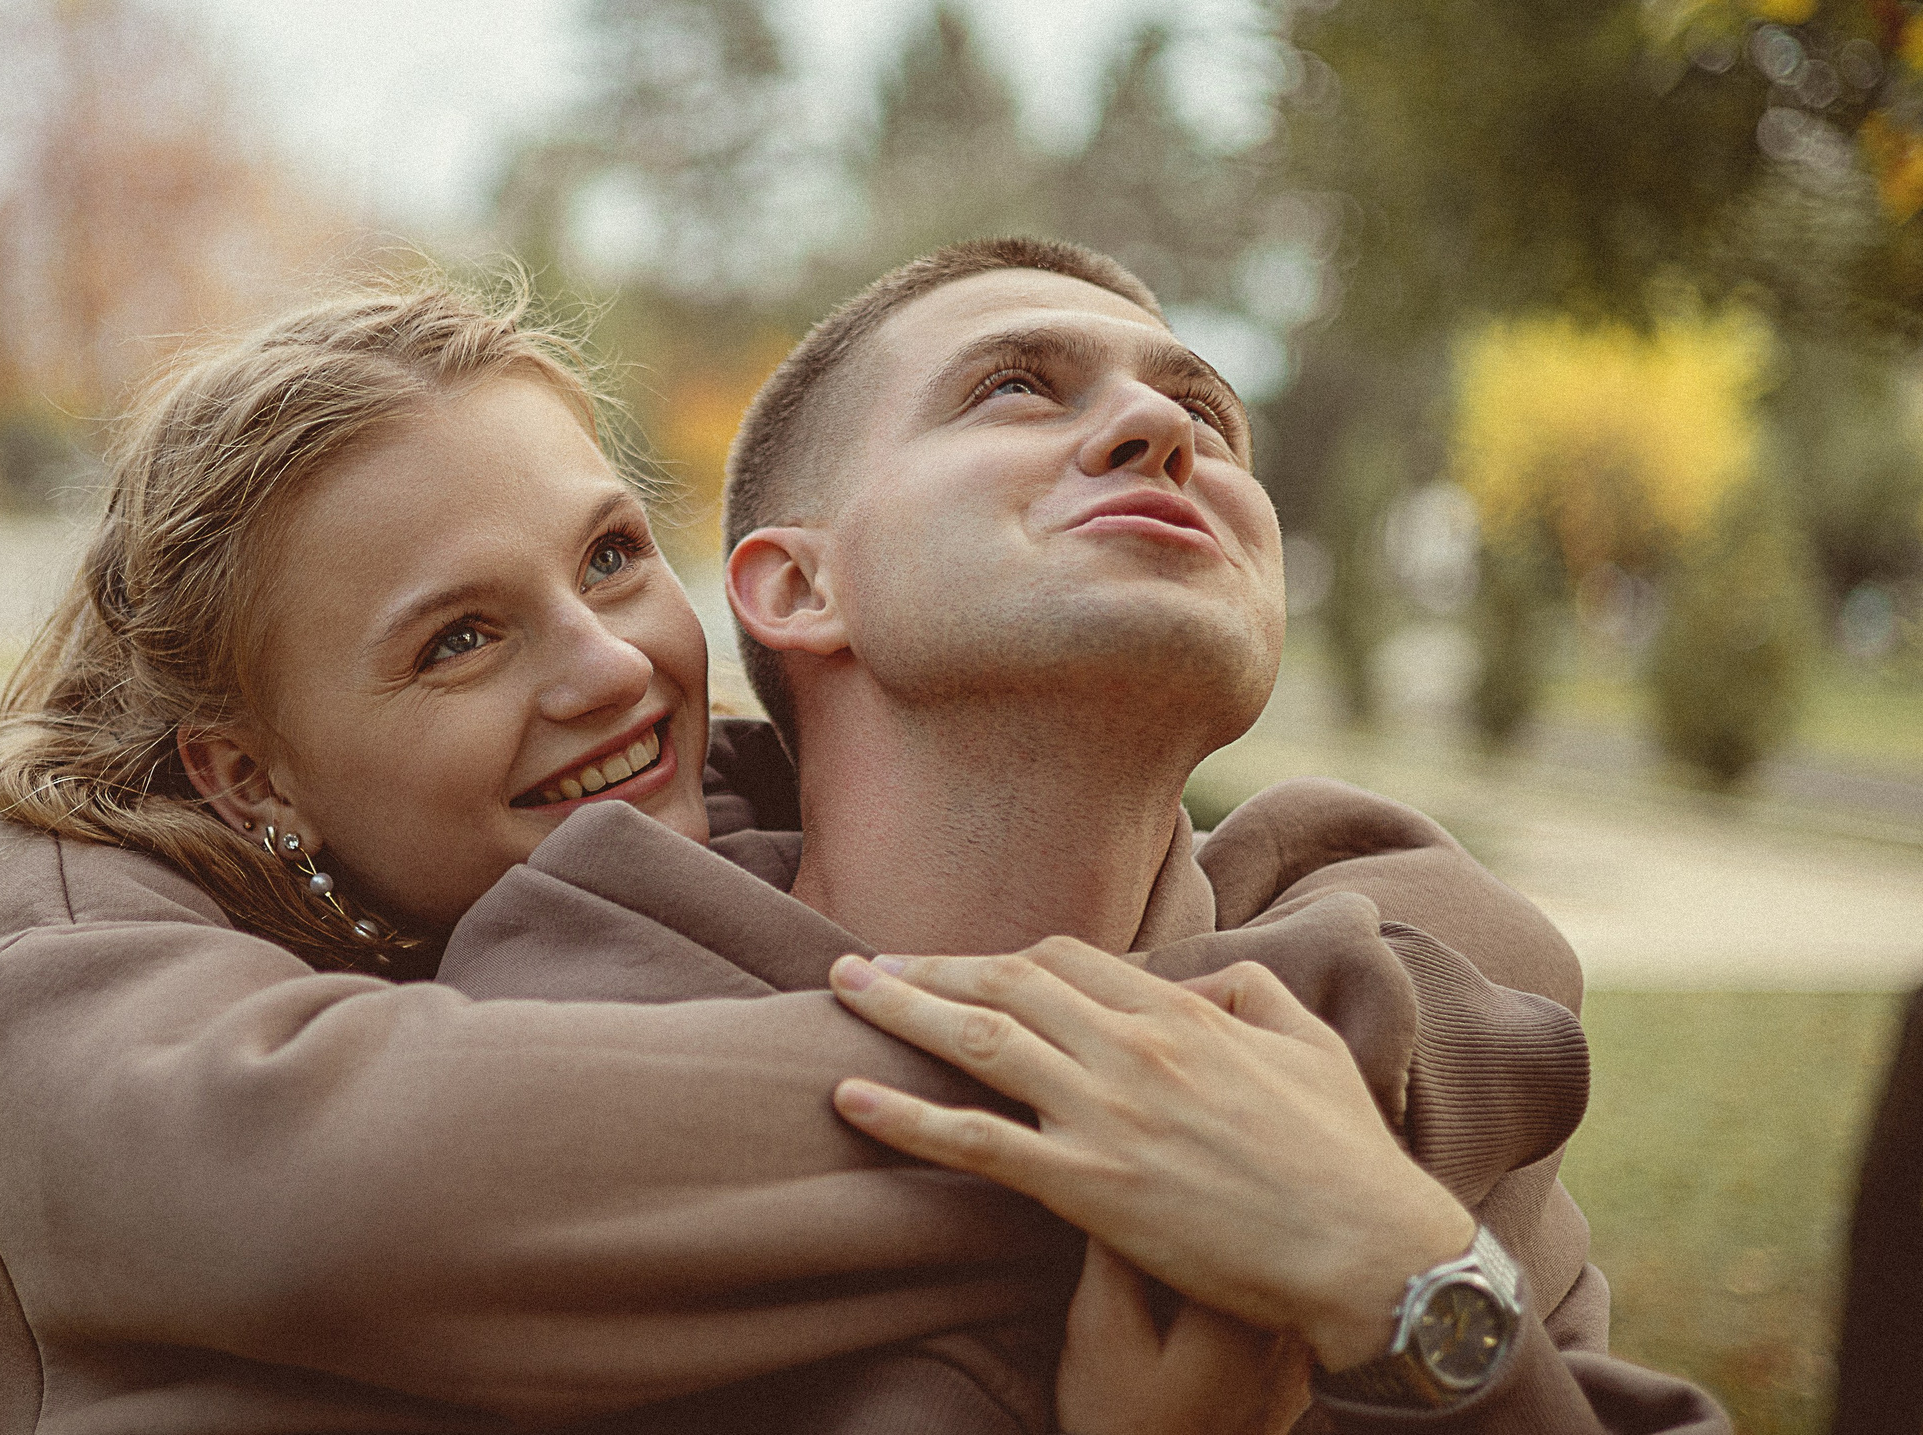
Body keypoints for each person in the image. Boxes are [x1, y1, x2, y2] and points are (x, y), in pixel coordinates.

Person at [0, 271, 1665, 1433]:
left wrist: (1423, 1300)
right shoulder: (324, 1112)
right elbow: (298, 1187)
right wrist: (1332, 1092)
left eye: (606, 560)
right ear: (791, 583)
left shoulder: (1404, 996)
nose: (607, 664)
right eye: (455, 639)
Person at [431, 238, 1726, 1429]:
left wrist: (1414, 1283)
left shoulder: (1425, 1093)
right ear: (800, 585)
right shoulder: (512, 1100)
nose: (1166, 428)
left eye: (1212, 416)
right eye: (1014, 389)